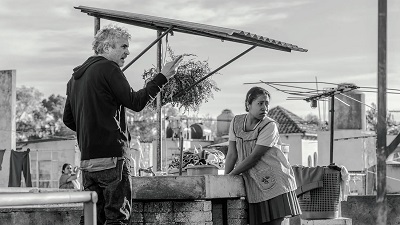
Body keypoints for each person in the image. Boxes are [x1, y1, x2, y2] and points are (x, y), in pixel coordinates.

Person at [63, 24, 182, 225]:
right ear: (107, 47)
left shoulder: (75, 78)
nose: (127, 52)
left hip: (87, 163)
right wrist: (162, 77)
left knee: (93, 218)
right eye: (123, 46)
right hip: (112, 158)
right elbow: (135, 102)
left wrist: (92, 131)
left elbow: (68, 119)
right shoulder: (109, 68)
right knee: (117, 218)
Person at [224, 86, 301, 225]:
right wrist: (225, 180)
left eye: (267, 103)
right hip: (255, 185)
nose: (264, 108)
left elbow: (254, 157)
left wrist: (232, 175)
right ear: (248, 104)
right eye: (260, 103)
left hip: (276, 182)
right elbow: (231, 154)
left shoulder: (269, 126)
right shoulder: (235, 122)